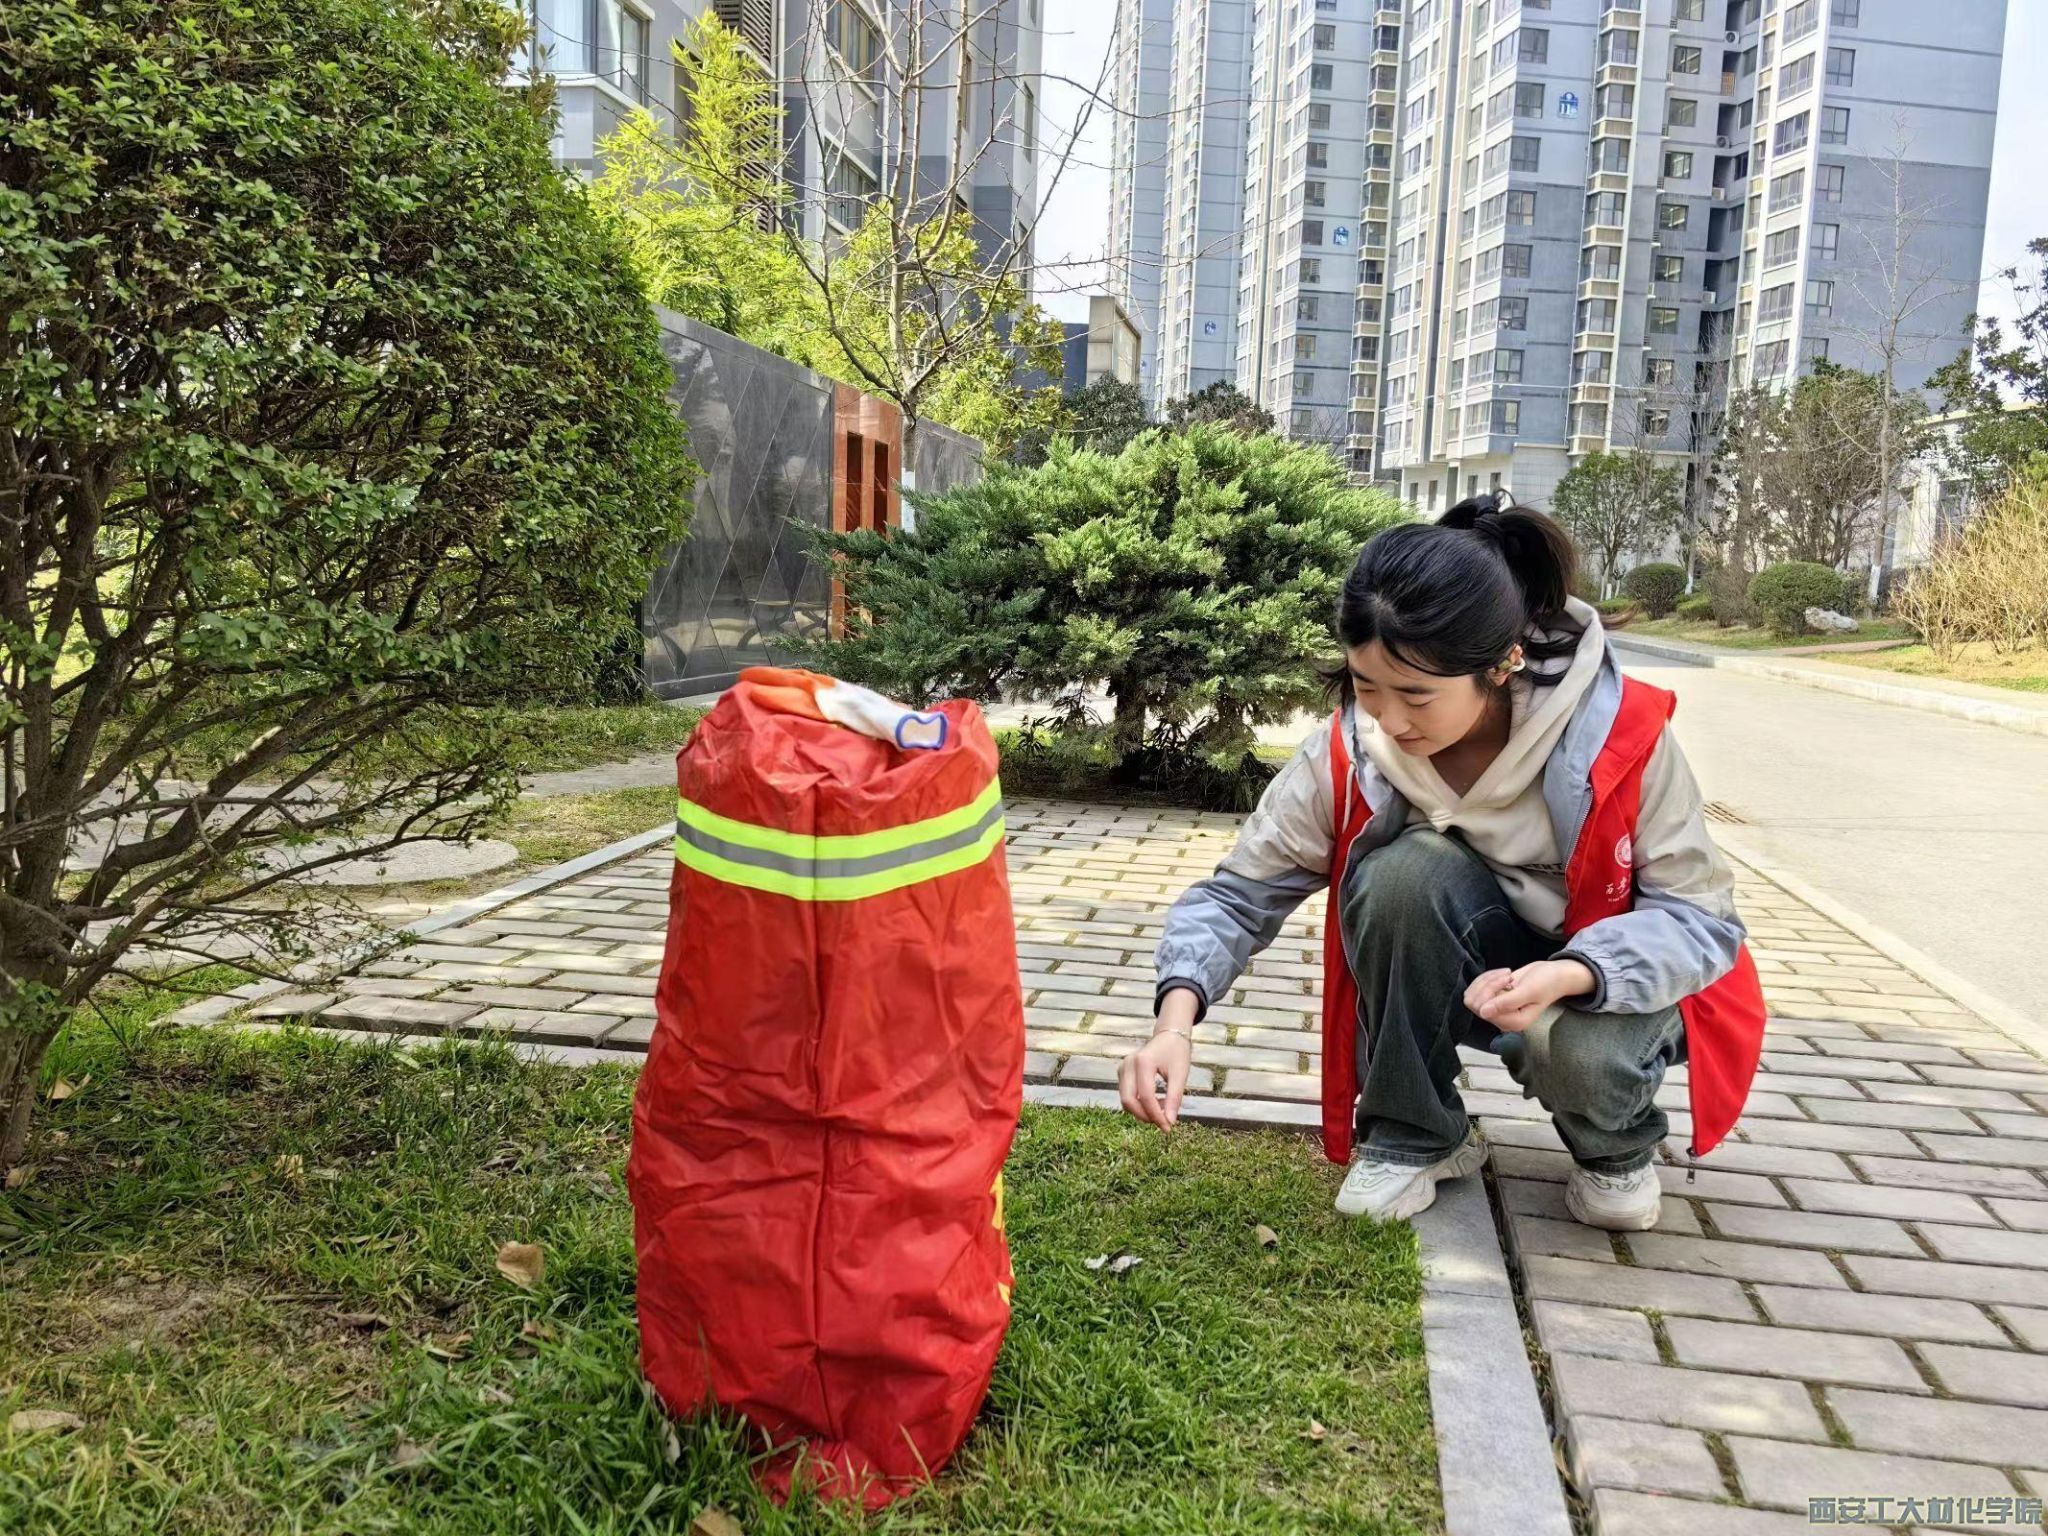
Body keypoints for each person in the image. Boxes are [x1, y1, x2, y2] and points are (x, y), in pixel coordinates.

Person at [1115, 494, 1766, 1231]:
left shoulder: (1623, 735)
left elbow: (1700, 920)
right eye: (1366, 686)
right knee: (1401, 874)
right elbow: (1241, 894)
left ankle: (1615, 1147)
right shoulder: (1353, 750)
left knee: (1574, 1051)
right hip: (1477, 964)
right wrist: (1173, 1024)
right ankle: (1417, 1131)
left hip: (1616, 981)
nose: (1389, 719)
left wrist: (1573, 973)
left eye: (1417, 696)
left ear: (1502, 664)